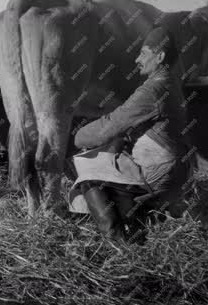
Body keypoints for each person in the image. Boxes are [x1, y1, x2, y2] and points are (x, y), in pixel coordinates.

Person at [68, 26, 188, 243]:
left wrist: (77, 136)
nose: (136, 59)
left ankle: (118, 243)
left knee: (88, 177)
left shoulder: (152, 90)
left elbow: (110, 124)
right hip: (175, 170)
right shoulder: (172, 81)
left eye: (143, 53)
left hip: (158, 172)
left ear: (159, 57)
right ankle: (138, 214)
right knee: (113, 160)